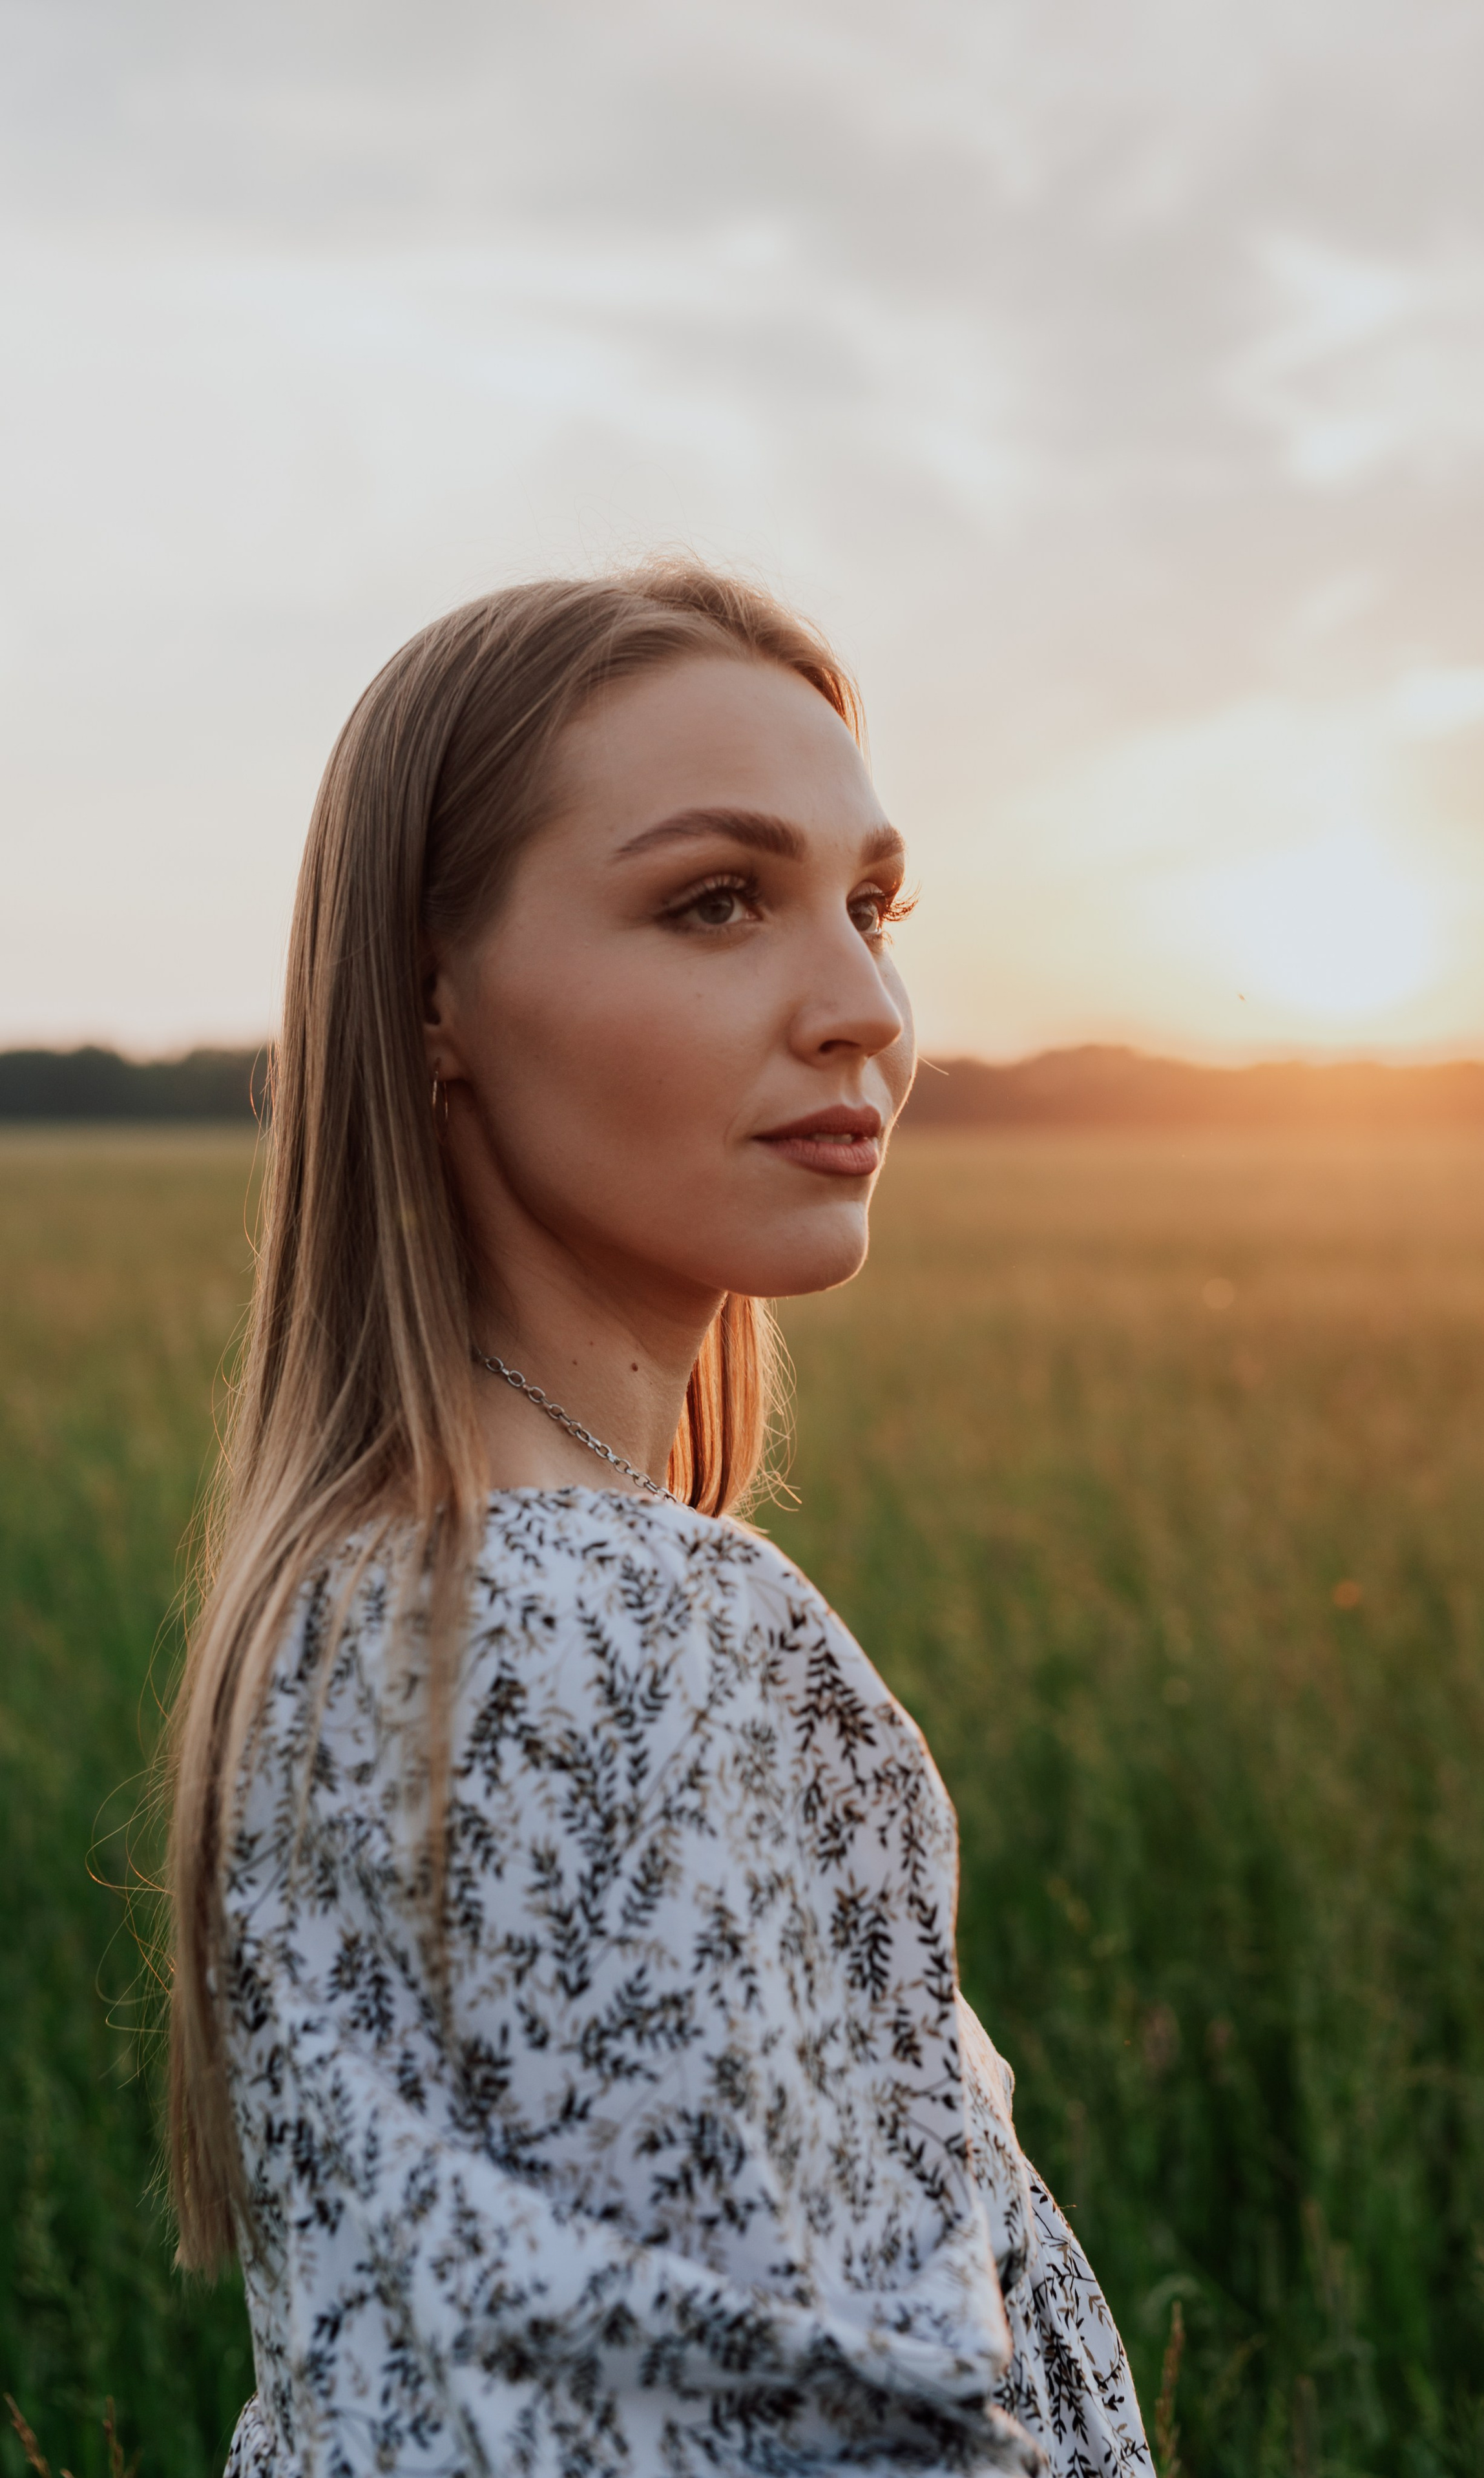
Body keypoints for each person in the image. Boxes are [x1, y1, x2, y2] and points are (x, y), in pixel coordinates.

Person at [163, 564, 1152, 2478]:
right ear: (432, 998)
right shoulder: (630, 1624)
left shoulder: (366, 1606)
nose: (863, 1008)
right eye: (717, 901)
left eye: (871, 907)